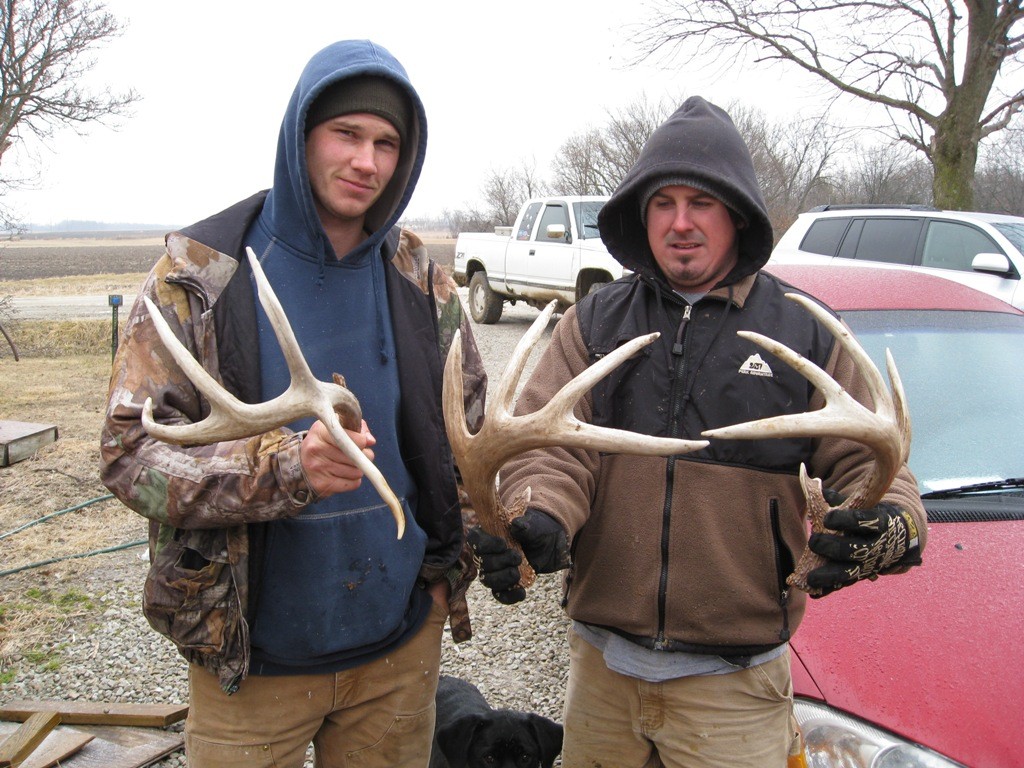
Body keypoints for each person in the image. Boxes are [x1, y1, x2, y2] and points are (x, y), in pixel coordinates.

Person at [469, 96, 926, 768]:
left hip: (734, 688)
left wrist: (890, 526)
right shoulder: (595, 322)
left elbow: (875, 466)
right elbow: (551, 454)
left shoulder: (801, 329)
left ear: (736, 213)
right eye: (663, 203)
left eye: (701, 203)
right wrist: (539, 516)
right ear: (641, 215)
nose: (681, 223)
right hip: (604, 678)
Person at [100, 39, 486, 768]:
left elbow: (467, 437)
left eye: (386, 143)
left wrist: (455, 566)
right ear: (300, 133)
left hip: (398, 654)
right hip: (255, 665)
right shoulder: (198, 278)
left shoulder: (417, 277)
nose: (366, 162)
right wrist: (284, 468)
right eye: (346, 134)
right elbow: (129, 457)